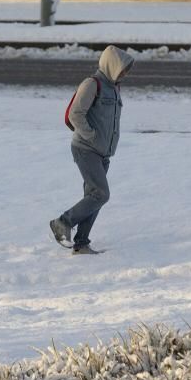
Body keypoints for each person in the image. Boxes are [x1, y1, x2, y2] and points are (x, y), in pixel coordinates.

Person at [50, 45, 135, 255]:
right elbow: (75, 114)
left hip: (102, 153)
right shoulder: (92, 84)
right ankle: (62, 223)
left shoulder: (114, 88)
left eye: (126, 69)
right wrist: (91, 136)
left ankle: (81, 244)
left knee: (93, 198)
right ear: (111, 65)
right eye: (122, 69)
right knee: (101, 194)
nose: (125, 73)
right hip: (85, 148)